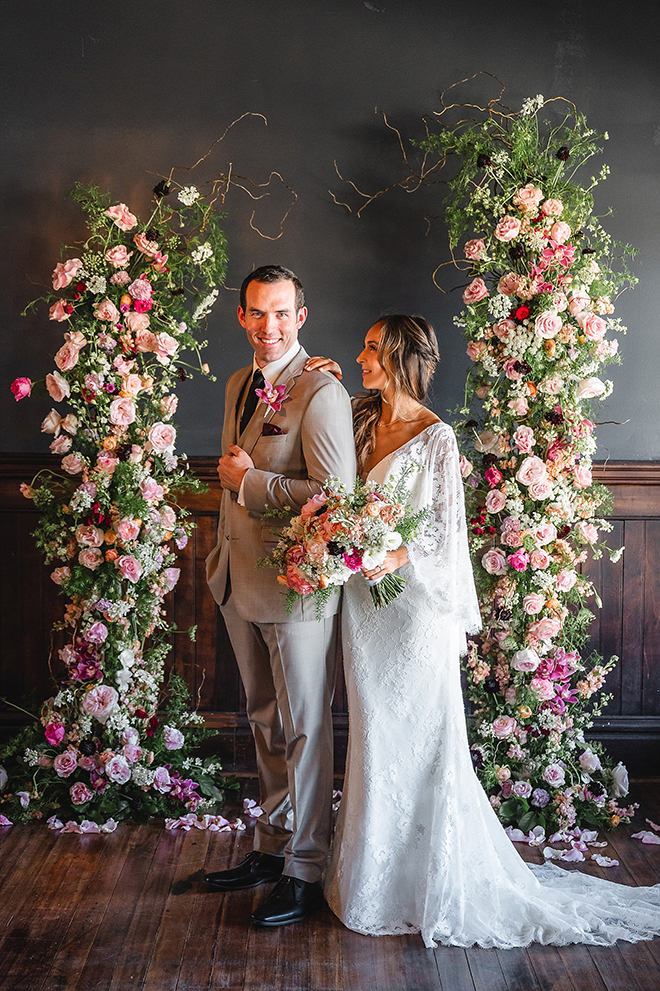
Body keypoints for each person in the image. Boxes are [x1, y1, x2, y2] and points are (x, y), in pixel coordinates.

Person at [307, 314, 660, 949]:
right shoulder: (359, 420)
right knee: (375, 734)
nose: (360, 356)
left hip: (413, 609)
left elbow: (445, 533)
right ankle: (372, 880)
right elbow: (340, 490)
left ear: (401, 356)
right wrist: (327, 381)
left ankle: (431, 881)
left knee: (421, 738)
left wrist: (391, 554)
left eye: (371, 348)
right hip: (364, 607)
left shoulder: (436, 438)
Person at [204, 265, 356, 927]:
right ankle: (272, 847)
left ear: (301, 316)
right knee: (265, 722)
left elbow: (337, 496)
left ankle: (306, 869)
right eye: (258, 313)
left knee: (304, 729)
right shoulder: (238, 383)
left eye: (282, 313)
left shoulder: (322, 390)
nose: (270, 326)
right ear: (242, 316)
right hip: (238, 578)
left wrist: (251, 483)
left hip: (297, 592)